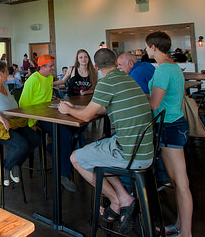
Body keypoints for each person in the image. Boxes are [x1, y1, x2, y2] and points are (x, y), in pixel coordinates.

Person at [61, 48, 154, 234]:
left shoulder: (106, 83)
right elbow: (106, 107)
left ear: (96, 66)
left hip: (129, 154)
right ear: (115, 62)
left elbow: (86, 117)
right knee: (92, 149)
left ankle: (118, 200)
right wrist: (77, 107)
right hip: (145, 150)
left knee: (75, 158)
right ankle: (122, 196)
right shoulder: (127, 79)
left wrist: (68, 110)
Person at [144, 31, 193, 236]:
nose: (146, 50)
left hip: (170, 127)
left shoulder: (164, 69)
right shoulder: (172, 67)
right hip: (175, 124)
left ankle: (186, 232)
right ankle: (180, 225)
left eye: (146, 46)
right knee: (175, 181)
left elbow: (154, 103)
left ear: (154, 47)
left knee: (181, 184)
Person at [19, 54, 79, 192]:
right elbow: (23, 103)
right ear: (42, 67)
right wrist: (30, 123)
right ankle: (64, 174)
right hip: (38, 117)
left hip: (50, 113)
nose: (53, 68)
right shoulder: (32, 80)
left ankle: (53, 148)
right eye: (51, 66)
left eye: (53, 65)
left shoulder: (50, 78)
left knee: (76, 126)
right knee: (65, 134)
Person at [0, 60, 39, 186]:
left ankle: (12, 165)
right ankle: (5, 167)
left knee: (35, 138)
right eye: (6, 71)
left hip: (11, 123)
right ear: (0, 74)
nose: (9, 73)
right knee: (22, 145)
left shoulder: (4, 86)